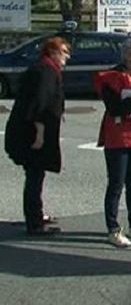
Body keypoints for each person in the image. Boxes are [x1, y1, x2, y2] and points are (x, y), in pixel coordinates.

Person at [4, 37, 71, 235]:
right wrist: (40, 135)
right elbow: (39, 105)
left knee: (36, 175)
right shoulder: (46, 72)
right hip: (32, 133)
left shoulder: (43, 69)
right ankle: (34, 222)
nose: (67, 57)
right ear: (52, 52)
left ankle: (36, 214)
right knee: (35, 175)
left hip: (27, 130)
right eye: (64, 52)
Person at [94, 37, 131, 248]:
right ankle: (113, 229)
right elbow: (115, 108)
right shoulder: (111, 78)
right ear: (128, 55)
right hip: (118, 137)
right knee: (116, 184)